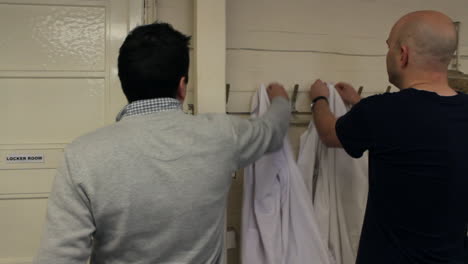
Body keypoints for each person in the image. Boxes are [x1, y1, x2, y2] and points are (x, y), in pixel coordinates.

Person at [33, 22, 291, 264]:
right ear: (182, 86)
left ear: (124, 84)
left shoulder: (82, 155)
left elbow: (58, 257)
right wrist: (280, 98)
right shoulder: (223, 135)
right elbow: (273, 130)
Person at [308, 10, 468, 264]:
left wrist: (319, 98)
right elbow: (419, 127)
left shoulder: (380, 112)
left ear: (403, 55)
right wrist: (357, 104)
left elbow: (329, 133)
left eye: (389, 47)